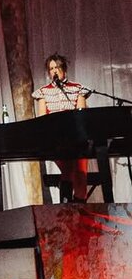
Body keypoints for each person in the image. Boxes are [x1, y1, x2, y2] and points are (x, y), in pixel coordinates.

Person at [32, 53, 92, 202]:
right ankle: (67, 205)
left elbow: (81, 116)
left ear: (64, 69)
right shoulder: (43, 92)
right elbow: (42, 120)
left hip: (76, 139)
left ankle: (79, 204)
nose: (54, 71)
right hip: (56, 141)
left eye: (57, 67)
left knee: (80, 171)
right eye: (51, 68)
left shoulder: (77, 88)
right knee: (68, 167)